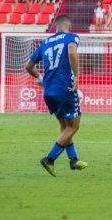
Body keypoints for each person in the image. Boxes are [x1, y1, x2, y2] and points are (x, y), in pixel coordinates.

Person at [25, 15, 88, 176]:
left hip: (49, 91)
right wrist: (76, 76)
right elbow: (72, 52)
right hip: (64, 88)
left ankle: (73, 160)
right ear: (69, 26)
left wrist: (40, 79)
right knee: (74, 126)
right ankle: (50, 159)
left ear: (55, 28)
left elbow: (28, 66)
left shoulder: (46, 42)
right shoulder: (72, 37)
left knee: (65, 127)